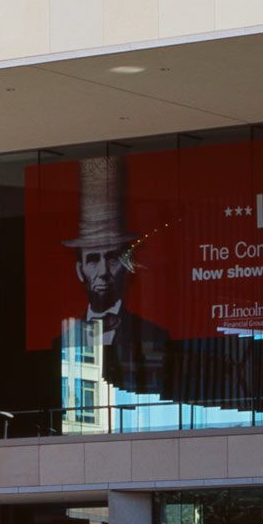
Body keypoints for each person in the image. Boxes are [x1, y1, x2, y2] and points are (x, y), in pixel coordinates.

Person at [62, 156, 168, 400]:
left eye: (111, 258)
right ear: (79, 270)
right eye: (92, 260)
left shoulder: (154, 334)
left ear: (126, 265)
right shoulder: (62, 343)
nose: (102, 272)